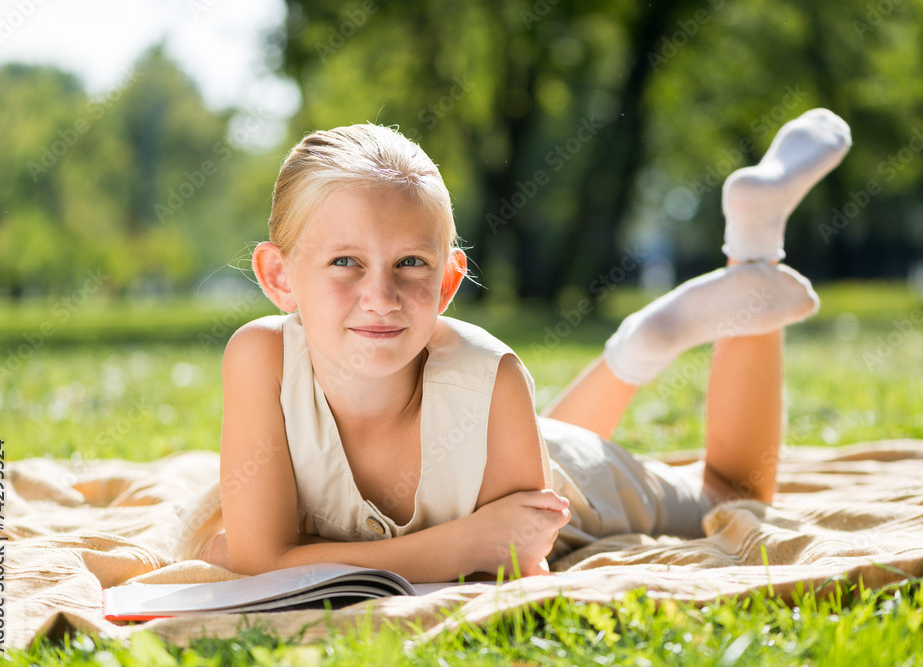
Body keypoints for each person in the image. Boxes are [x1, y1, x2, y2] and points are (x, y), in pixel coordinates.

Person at [191, 109, 851, 582]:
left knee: (731, 494)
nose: (380, 295)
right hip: (505, 448)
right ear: (279, 276)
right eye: (344, 262)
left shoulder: (491, 372)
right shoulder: (259, 357)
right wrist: (461, 542)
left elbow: (515, 559)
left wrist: (294, 552)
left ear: (449, 279)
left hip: (570, 480)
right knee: (539, 430)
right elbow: (263, 561)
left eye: (411, 264)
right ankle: (644, 343)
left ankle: (753, 242)